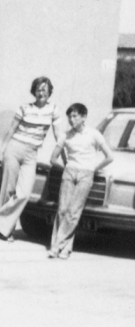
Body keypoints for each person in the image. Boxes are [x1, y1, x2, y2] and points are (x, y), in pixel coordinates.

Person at [0, 76, 61, 241]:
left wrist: (62, 152)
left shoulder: (53, 110)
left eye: (44, 90)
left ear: (49, 92)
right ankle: (6, 230)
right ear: (34, 91)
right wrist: (1, 151)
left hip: (31, 154)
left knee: (24, 193)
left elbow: (58, 135)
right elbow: (11, 130)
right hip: (14, 148)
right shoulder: (24, 108)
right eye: (39, 89)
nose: (41, 93)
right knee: (8, 190)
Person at [48, 103, 113, 259]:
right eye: (69, 116)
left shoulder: (94, 134)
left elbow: (110, 156)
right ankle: (64, 248)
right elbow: (53, 158)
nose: (71, 119)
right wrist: (65, 169)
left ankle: (57, 246)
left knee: (74, 212)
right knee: (63, 209)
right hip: (69, 173)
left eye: (75, 116)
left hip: (86, 174)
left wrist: (93, 169)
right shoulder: (65, 136)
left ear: (84, 117)